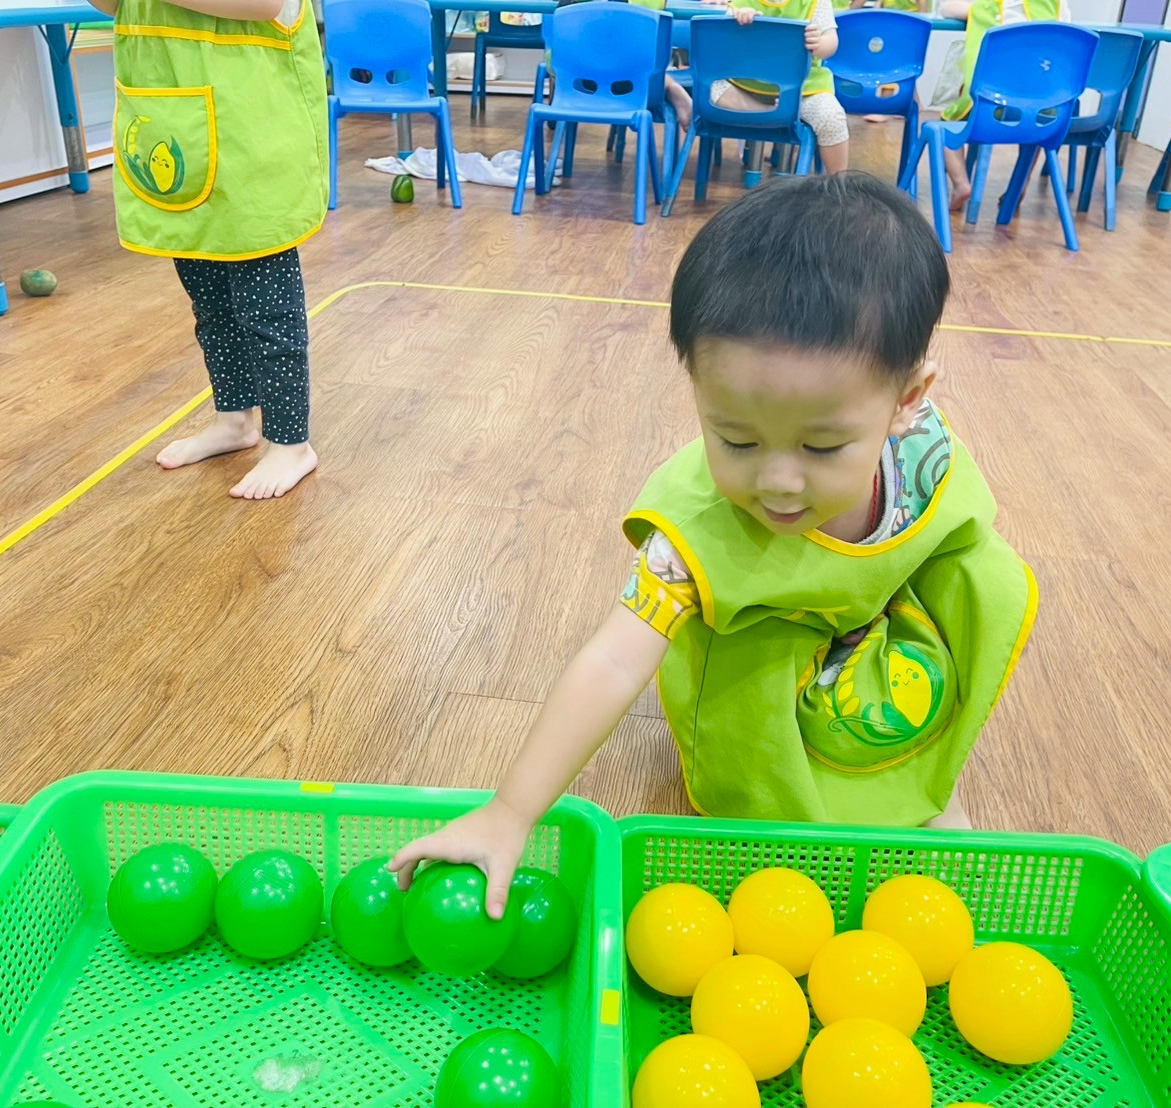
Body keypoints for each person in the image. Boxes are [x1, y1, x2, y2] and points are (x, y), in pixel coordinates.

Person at [391, 174, 1037, 917]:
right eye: (735, 437)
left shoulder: (922, 460)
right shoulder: (696, 532)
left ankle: (914, 778)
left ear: (906, 402)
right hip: (759, 662)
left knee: (988, 572)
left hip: (866, 640)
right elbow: (611, 658)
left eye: (822, 445)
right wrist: (510, 811)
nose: (778, 481)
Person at [89, 0, 328, 499]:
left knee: (268, 316)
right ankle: (235, 418)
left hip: (252, 156)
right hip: (183, 143)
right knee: (213, 309)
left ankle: (291, 443)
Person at [665, 0, 850, 174]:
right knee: (710, 91)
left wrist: (820, 43)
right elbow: (722, 43)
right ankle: (772, 113)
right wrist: (735, 20)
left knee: (831, 117)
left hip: (803, 91)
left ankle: (840, 186)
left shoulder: (815, 3)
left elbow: (831, 41)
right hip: (746, 88)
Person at [941, 0, 1070, 209]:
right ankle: (1020, 185)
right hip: (1041, 109)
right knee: (1038, 124)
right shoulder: (1056, 6)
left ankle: (961, 184)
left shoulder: (993, 7)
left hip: (989, 107)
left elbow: (946, 9)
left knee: (944, 127)